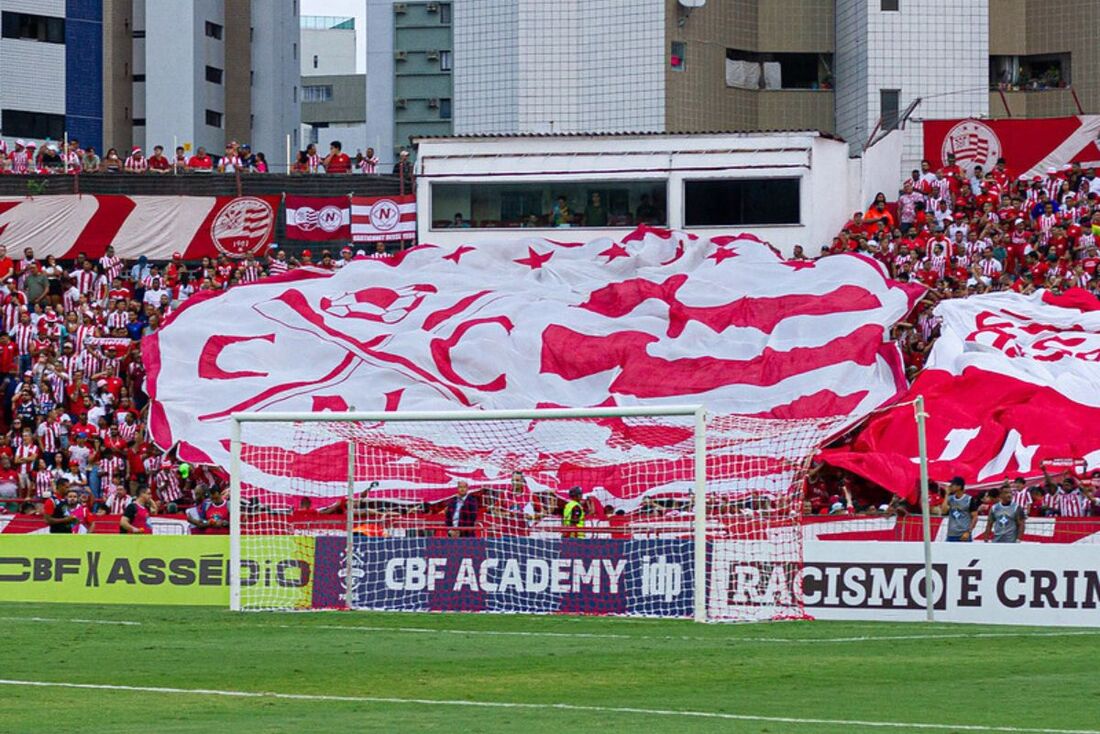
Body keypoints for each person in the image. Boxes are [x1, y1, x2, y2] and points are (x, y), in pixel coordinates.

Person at [941, 477, 978, 542]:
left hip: (963, 534)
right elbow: (943, 511)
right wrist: (946, 494)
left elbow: (975, 517)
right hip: (951, 534)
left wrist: (968, 532)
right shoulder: (950, 499)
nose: (950, 486)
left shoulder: (969, 499)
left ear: (959, 486)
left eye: (952, 484)